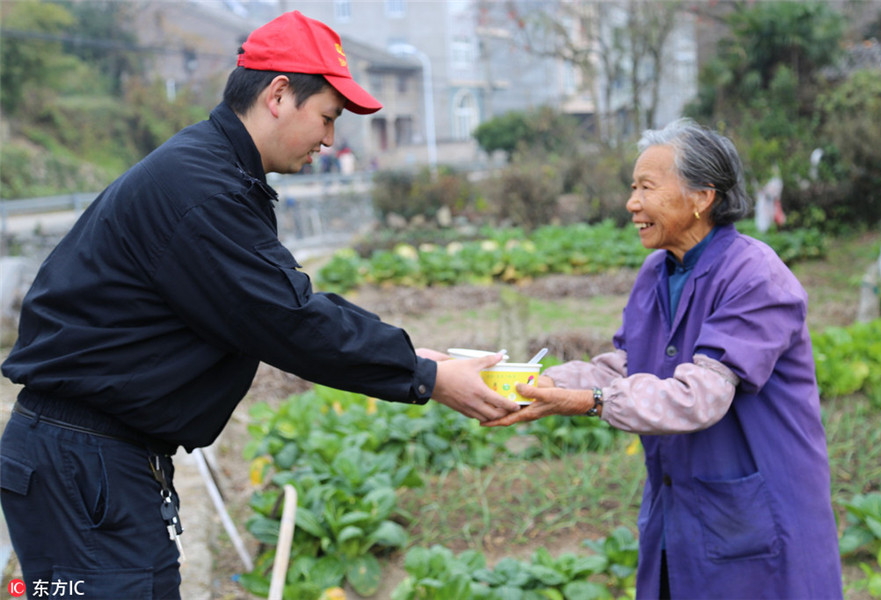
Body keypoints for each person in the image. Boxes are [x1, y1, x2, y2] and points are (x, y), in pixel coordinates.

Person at [0, 11, 518, 599]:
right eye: (326, 117)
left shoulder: (214, 173)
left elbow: (281, 304)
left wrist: (410, 356)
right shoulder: (203, 192)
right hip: (84, 466)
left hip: (81, 460)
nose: (329, 140)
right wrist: (424, 375)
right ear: (278, 95)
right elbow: (287, 320)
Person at [484, 119, 843, 599]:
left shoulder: (755, 278)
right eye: (633, 188)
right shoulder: (658, 271)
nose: (632, 203)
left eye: (647, 188)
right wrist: (541, 382)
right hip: (681, 515)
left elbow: (701, 397)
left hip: (759, 517)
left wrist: (590, 400)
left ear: (701, 197)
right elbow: (628, 365)